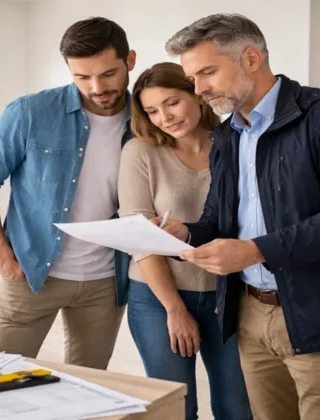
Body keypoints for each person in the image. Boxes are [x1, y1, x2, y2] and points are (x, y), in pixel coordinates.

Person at [154, 13, 320, 420]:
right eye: (193, 77)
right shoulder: (227, 136)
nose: (198, 90)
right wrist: (184, 231)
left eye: (207, 73)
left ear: (251, 58)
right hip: (252, 316)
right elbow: (221, 218)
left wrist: (255, 251)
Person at [0, 16, 136, 370]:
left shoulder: (147, 118)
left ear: (129, 61)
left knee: (89, 385)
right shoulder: (31, 112)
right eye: (82, 77)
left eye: (108, 74)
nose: (96, 87)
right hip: (30, 273)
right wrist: (4, 260)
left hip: (105, 281)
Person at [119, 62, 252, 420]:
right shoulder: (140, 153)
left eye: (172, 102)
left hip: (229, 296)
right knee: (176, 411)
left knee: (238, 408)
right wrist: (175, 310)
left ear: (197, 92)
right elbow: (140, 239)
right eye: (152, 110)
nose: (164, 117)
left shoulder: (238, 143)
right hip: (158, 298)